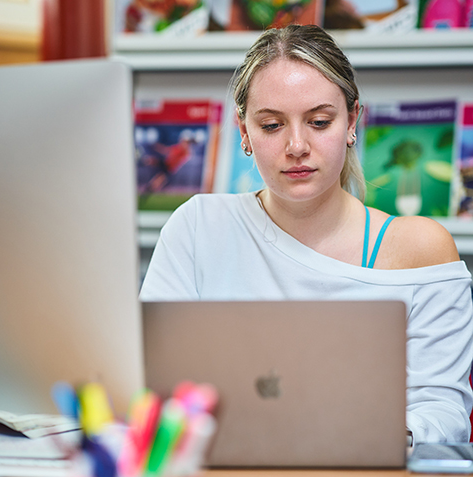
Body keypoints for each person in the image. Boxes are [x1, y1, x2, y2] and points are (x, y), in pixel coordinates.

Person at [139, 24, 473, 444]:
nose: (296, 145)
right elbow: (154, 388)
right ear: (244, 132)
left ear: (352, 121)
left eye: (318, 121)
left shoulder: (419, 248)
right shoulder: (198, 228)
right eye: (272, 126)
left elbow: (444, 414)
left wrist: (367, 441)